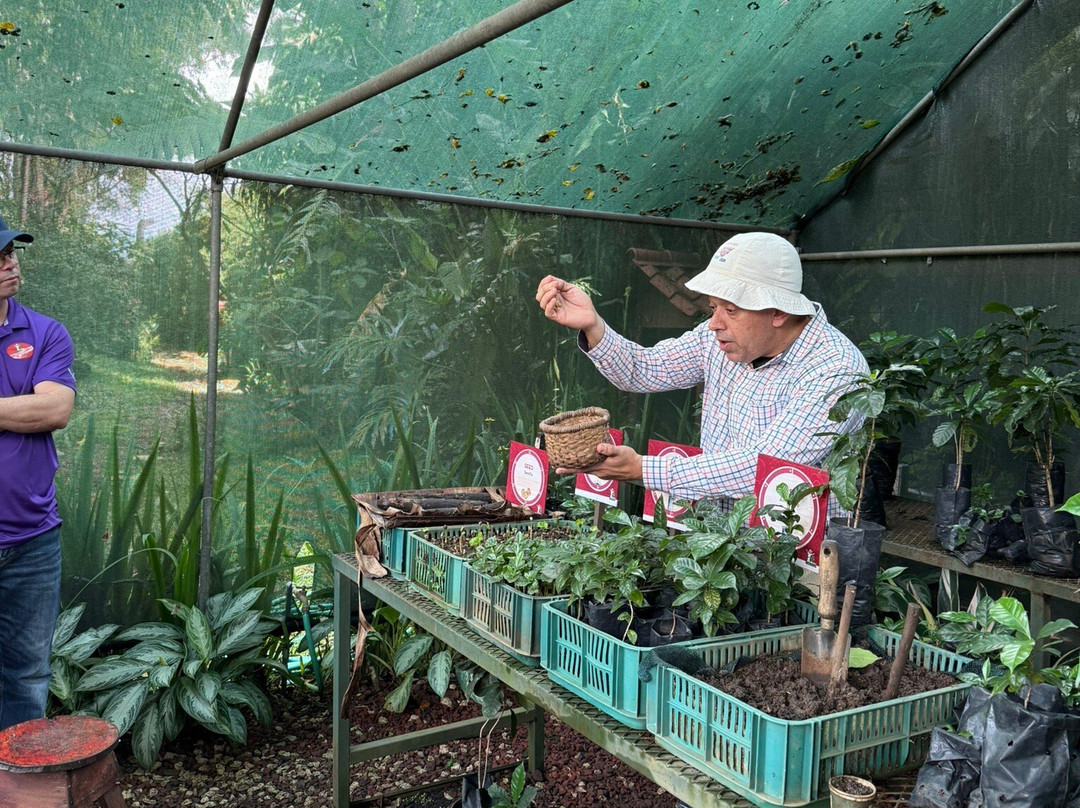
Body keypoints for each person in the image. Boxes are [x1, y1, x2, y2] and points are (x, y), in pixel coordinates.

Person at [535, 231, 867, 517]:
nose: (714, 323)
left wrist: (641, 468)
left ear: (778, 312)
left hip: (798, 560)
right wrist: (593, 324)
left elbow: (763, 467)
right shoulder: (720, 338)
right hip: (720, 539)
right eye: (713, 307)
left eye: (731, 310)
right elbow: (646, 369)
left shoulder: (835, 371)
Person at [0, 215, 76, 730]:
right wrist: (15, 406)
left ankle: (17, 792)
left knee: (26, 677)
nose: (10, 263)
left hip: (32, 541)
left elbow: (53, 412)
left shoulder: (46, 333)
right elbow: (28, 409)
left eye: (11, 253)